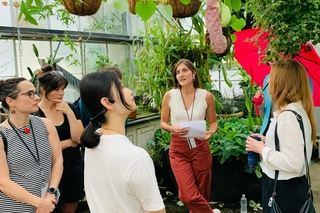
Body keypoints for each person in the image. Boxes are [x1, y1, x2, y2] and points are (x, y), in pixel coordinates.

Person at [79, 69, 166, 213]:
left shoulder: (93, 142)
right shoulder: (137, 158)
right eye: (121, 87)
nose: (130, 91)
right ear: (107, 103)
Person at [246, 59, 317, 213]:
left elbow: (294, 163)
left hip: (283, 189)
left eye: (272, 76)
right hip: (292, 187)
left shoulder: (287, 117)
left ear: (282, 82)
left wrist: (262, 149)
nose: (268, 80)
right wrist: (268, 141)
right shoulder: (298, 112)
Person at [160, 59, 219, 213]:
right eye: (178, 72)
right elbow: (163, 122)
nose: (181, 74)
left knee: (201, 194)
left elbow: (213, 123)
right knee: (188, 196)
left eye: (185, 70)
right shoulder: (170, 95)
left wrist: (210, 133)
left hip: (200, 147)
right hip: (178, 149)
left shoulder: (206, 96)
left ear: (193, 73)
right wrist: (172, 128)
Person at [0, 77, 63, 213]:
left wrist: (51, 193)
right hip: (16, 208)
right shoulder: (2, 135)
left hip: (49, 202)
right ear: (10, 101)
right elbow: (3, 182)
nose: (36, 98)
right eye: (29, 94)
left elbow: (58, 161)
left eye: (35, 93)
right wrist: (39, 203)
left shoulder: (46, 124)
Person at [36, 65, 85, 213]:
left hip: (74, 165)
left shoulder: (69, 108)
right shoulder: (35, 114)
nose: (61, 93)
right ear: (43, 90)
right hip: (50, 169)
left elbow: (80, 138)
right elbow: (42, 148)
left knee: (71, 207)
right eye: (57, 89)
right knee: (53, 207)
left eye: (63, 89)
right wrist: (69, 142)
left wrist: (69, 113)